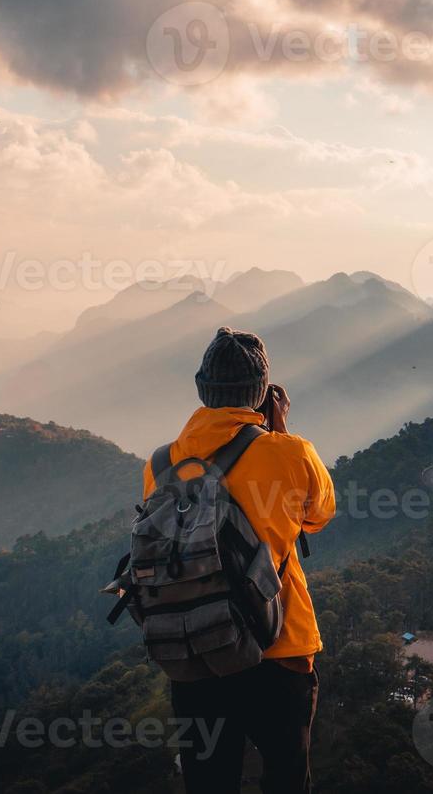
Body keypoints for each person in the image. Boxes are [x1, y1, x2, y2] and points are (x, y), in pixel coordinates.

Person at [141, 327, 336, 794]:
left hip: (196, 647)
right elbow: (318, 516)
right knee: (288, 779)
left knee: (209, 783)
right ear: (263, 392)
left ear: (202, 390)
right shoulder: (291, 453)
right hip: (279, 644)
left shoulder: (160, 465)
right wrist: (279, 431)